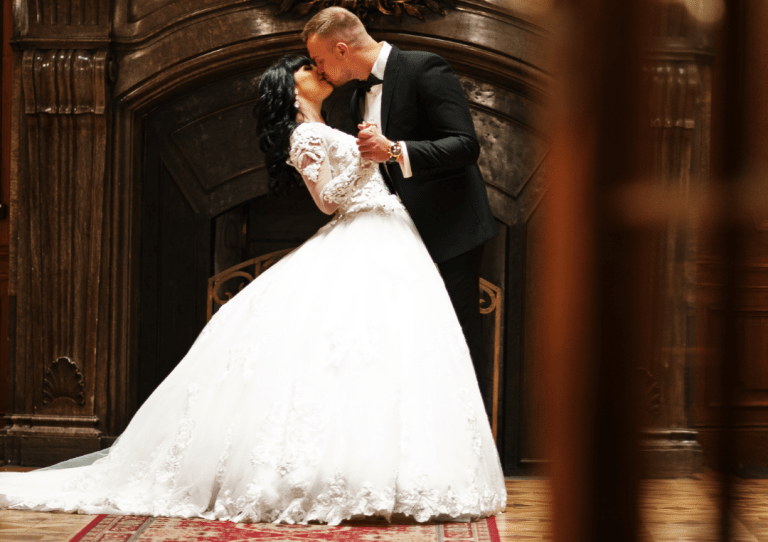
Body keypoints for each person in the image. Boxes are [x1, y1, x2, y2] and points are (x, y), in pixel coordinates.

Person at [0, 56, 506, 525]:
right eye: (308, 66)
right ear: (291, 87)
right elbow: (328, 202)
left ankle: (394, 468)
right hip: (365, 230)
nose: (319, 69)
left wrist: (373, 154)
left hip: (392, 235)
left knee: (387, 351)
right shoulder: (304, 136)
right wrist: (367, 160)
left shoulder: (334, 118)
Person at [302, 7, 498, 381]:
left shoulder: (423, 67)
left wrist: (395, 150)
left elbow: (465, 145)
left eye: (319, 60)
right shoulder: (352, 98)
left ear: (342, 49)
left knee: (456, 349)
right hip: (395, 243)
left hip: (450, 232)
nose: (319, 70)